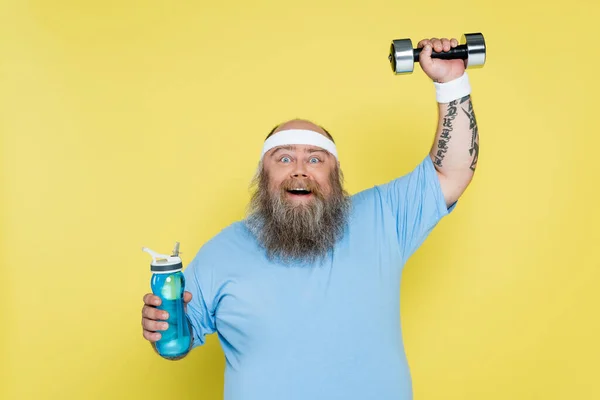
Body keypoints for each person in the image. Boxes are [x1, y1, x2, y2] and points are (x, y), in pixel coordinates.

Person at [141, 37, 479, 400]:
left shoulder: (383, 216)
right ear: (263, 176)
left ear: (336, 175)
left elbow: (452, 172)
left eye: (316, 159)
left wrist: (451, 81)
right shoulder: (221, 251)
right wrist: (161, 324)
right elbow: (177, 337)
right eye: (284, 159)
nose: (300, 171)